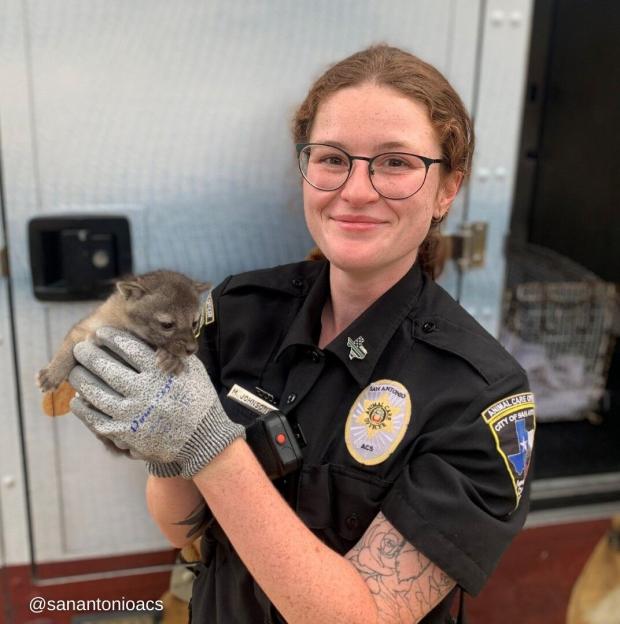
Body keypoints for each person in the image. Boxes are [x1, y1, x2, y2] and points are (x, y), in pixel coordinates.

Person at [69, 44, 536, 624]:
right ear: (305, 168)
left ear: (447, 189)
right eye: (332, 158)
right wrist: (163, 447)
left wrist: (208, 445)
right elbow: (183, 530)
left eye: (395, 162)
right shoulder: (237, 311)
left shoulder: (479, 395)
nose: (357, 190)